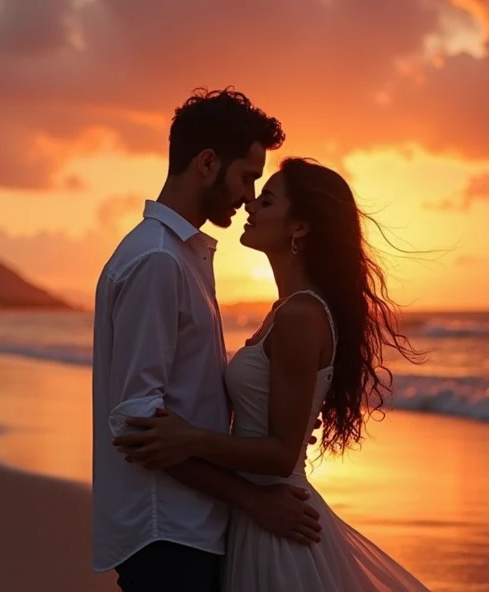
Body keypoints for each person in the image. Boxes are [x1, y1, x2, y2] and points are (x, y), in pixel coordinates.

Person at [113, 158, 432, 591]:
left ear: (299, 228)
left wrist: (190, 438)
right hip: (259, 513)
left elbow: (281, 454)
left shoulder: (300, 315)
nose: (250, 206)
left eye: (266, 200)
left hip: (278, 519)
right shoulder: (286, 311)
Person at [91, 89, 323, 592]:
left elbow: (187, 398)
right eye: (246, 177)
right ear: (207, 163)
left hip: (191, 529)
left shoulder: (184, 256)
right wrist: (254, 498)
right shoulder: (158, 260)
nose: (247, 196)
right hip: (167, 533)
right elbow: (138, 425)